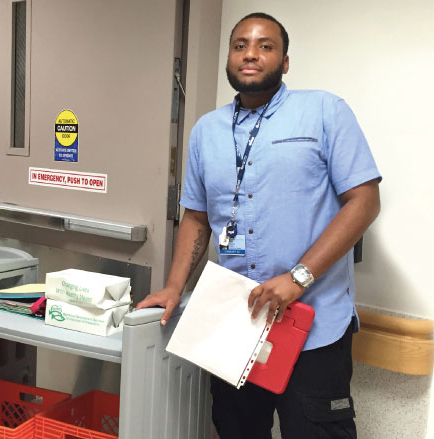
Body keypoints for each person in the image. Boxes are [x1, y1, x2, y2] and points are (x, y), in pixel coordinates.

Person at [136, 12, 381, 439]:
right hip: (236, 324)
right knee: (236, 430)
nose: (250, 54)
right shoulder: (206, 131)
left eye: (265, 46)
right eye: (240, 45)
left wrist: (299, 277)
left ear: (285, 61)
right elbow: (196, 216)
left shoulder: (324, 111)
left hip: (312, 327)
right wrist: (175, 286)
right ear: (229, 58)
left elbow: (364, 202)